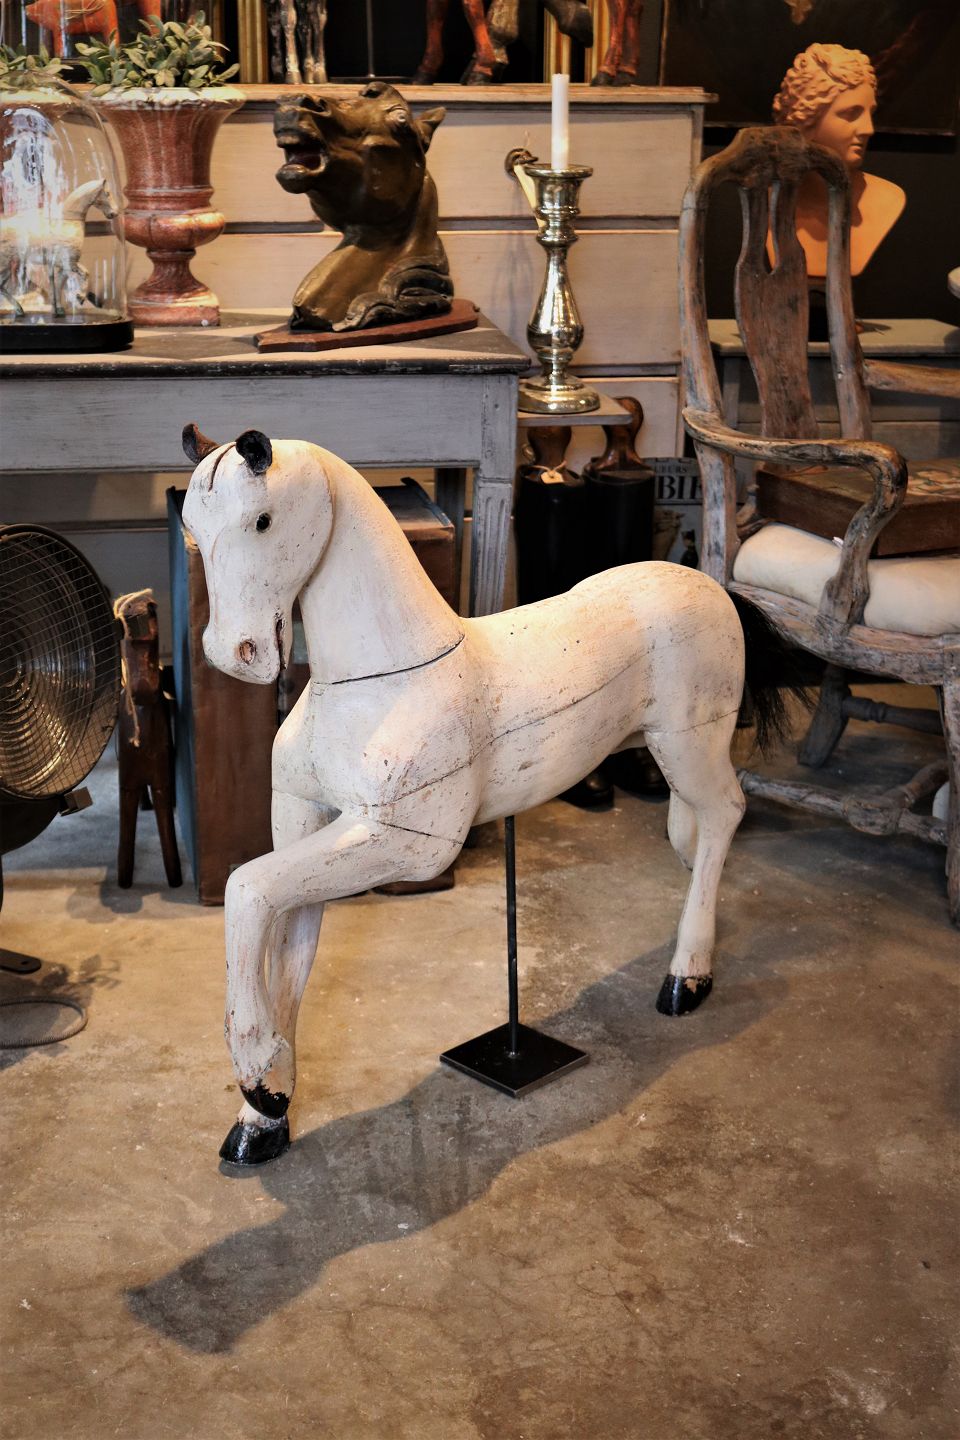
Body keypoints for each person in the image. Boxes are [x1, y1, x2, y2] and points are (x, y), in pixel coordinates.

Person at [772, 42, 905, 278]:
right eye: (851, 114)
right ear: (806, 118)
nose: (868, 129)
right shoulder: (762, 202)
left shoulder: (889, 200)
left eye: (870, 113)